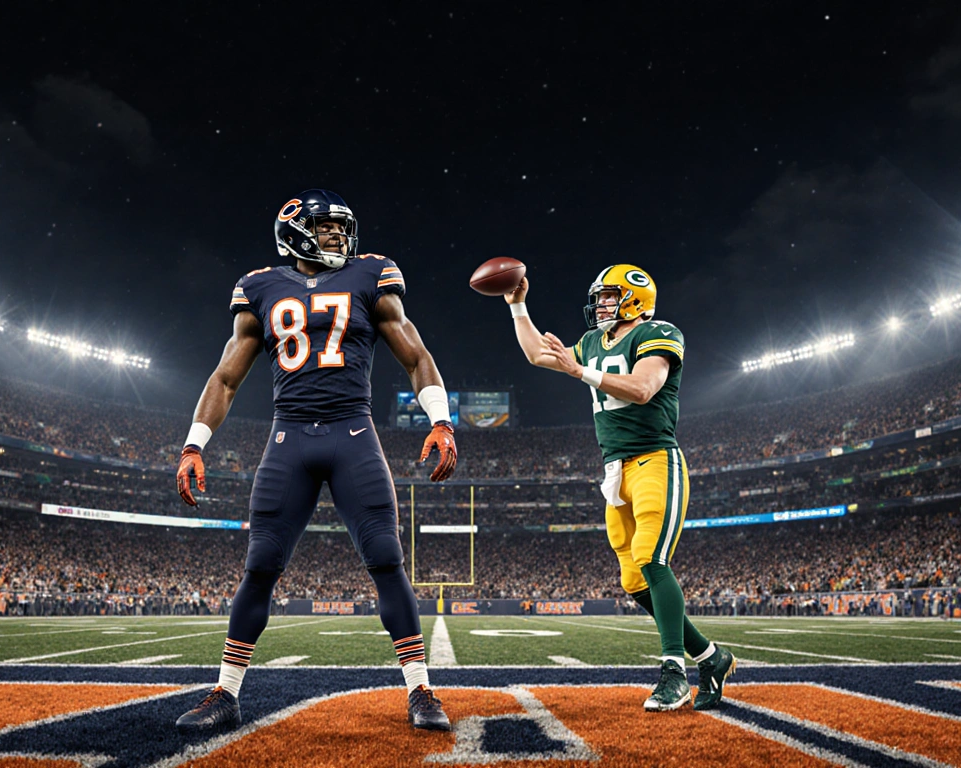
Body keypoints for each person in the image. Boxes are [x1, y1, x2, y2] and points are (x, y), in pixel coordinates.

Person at [173, 190, 458, 734]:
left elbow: (415, 354)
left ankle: (420, 689)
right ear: (296, 230)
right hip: (289, 440)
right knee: (260, 566)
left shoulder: (372, 273)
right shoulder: (259, 286)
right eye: (328, 228)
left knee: (385, 558)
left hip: (354, 433)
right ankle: (226, 694)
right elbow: (226, 377)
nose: (339, 237)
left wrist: (440, 420)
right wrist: (194, 444)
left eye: (341, 228)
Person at [506, 265, 735, 711]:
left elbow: (644, 388)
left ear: (635, 298)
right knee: (633, 581)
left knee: (652, 558)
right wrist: (517, 305)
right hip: (615, 469)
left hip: (655, 460)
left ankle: (674, 673)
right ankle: (711, 657)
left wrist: (580, 374)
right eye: (601, 297)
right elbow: (537, 354)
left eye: (610, 296)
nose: (601, 305)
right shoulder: (592, 342)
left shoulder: (658, 333)